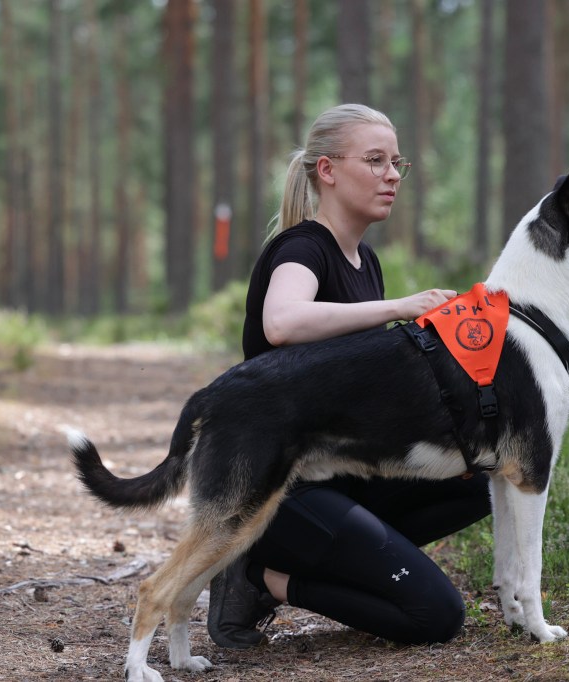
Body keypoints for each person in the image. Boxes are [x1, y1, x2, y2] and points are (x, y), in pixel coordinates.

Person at [207, 104, 493, 649]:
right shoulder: (302, 248)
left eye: (397, 163)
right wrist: (398, 308)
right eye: (376, 160)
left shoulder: (366, 261)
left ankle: (327, 560)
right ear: (328, 170)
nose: (392, 176)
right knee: (435, 616)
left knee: (477, 479)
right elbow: (281, 322)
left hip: (344, 472)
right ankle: (261, 577)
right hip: (282, 488)